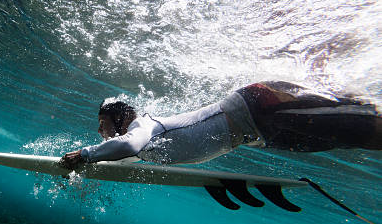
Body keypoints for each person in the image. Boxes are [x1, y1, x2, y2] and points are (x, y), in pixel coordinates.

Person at [59, 81, 382, 169]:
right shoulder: (141, 140)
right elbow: (123, 157)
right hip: (259, 133)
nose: (101, 132)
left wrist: (86, 154)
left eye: (102, 124)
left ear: (119, 118)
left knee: (369, 131)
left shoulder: (142, 127)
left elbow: (127, 147)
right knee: (348, 137)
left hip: (258, 108)